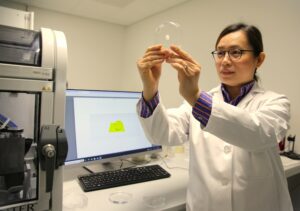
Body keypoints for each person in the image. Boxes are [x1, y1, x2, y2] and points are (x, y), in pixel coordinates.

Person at [136, 23, 293, 211]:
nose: (225, 61)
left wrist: (195, 97)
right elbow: (160, 134)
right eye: (220, 53)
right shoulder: (198, 103)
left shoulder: (275, 102)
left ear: (259, 59)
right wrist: (150, 88)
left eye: (236, 52)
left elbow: (258, 133)